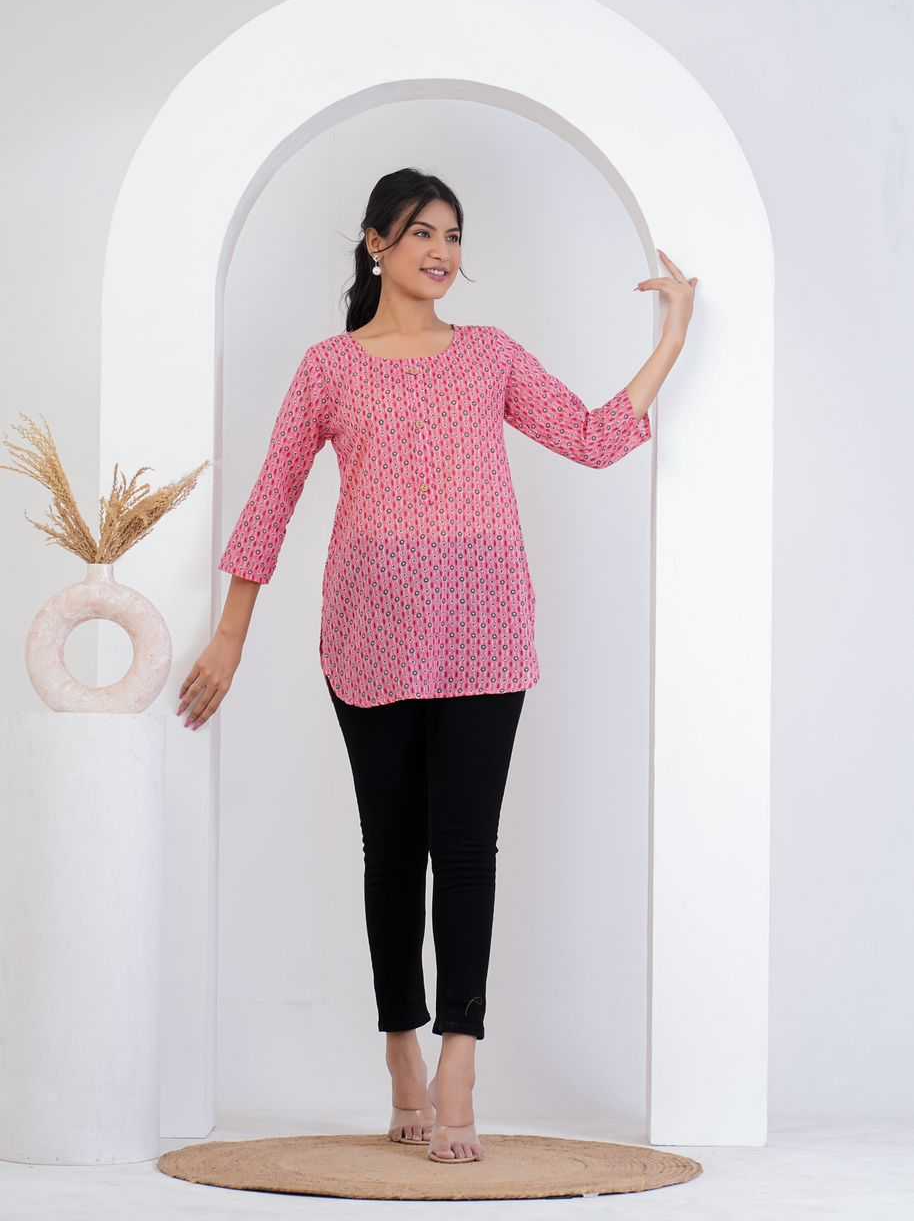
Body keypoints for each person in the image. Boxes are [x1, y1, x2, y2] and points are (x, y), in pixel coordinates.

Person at [177, 168, 698, 1164]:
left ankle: (460, 1056)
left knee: (466, 850)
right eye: (421, 232)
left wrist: (671, 338)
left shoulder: (490, 354)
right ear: (375, 242)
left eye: (453, 235)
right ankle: (400, 1045)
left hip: (486, 632)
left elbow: (590, 438)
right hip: (368, 634)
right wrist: (232, 633)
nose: (441, 252)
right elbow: (272, 496)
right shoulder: (329, 367)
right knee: (391, 850)